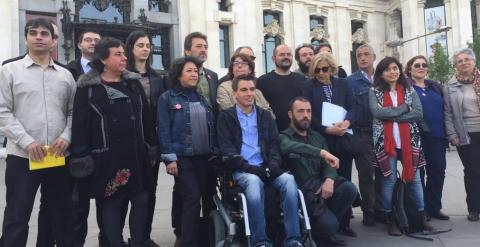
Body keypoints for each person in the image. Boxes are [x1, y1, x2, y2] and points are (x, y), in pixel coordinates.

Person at [70, 37, 156, 247]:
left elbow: (147, 118)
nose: (124, 58)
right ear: (103, 59)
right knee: (111, 203)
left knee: (142, 199)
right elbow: (80, 126)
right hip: (106, 157)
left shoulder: (133, 83)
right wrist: (81, 156)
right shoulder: (89, 88)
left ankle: (138, 242)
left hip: (136, 154)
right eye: (118, 54)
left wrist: (151, 147)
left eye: (124, 53)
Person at [0, 17, 76, 247]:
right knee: (17, 215)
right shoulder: (9, 70)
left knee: (60, 215)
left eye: (45, 34)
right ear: (26, 39)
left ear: (54, 41)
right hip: (23, 157)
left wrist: (66, 136)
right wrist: (26, 142)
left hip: (56, 156)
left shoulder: (65, 75)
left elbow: (74, 113)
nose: (39, 37)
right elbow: (3, 110)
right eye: (34, 33)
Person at [217, 74, 303, 247]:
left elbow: (274, 145)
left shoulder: (265, 116)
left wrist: (272, 165)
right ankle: (260, 241)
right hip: (242, 170)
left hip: (266, 166)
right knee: (254, 183)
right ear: (234, 94)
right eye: (244, 90)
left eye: (252, 89)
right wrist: (249, 168)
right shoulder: (226, 117)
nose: (249, 94)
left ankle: (293, 239)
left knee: (289, 181)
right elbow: (227, 150)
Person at [280, 96, 358, 247]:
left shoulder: (317, 137)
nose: (306, 115)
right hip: (304, 191)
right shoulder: (283, 137)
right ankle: (322, 231)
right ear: (290, 114)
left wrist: (329, 179)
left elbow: (328, 164)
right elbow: (294, 148)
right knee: (330, 226)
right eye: (300, 111)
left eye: (308, 111)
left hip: (322, 184)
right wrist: (321, 152)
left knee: (349, 189)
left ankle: (325, 230)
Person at [158, 56, 217, 247]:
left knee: (208, 198)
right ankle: (187, 242)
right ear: (179, 74)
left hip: (205, 158)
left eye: (196, 71)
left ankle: (208, 239)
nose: (194, 74)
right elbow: (163, 129)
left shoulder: (202, 98)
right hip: (182, 158)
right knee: (192, 198)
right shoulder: (167, 98)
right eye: (189, 70)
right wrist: (169, 159)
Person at [369, 56, 432, 236]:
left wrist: (390, 116)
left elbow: (419, 114)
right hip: (385, 143)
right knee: (388, 181)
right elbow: (377, 112)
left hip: (409, 141)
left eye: (395, 68)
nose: (392, 72)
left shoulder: (409, 90)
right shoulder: (374, 91)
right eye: (388, 69)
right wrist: (405, 108)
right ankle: (391, 220)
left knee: (415, 180)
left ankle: (421, 218)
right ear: (381, 73)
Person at [170, 33, 219, 243]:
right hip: (183, 149)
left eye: (206, 46)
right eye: (199, 46)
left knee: (207, 192)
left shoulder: (212, 76)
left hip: (206, 147)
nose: (204, 50)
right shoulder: (171, 84)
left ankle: (207, 234)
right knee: (186, 194)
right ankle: (181, 232)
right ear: (187, 51)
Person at [301, 52, 357, 237]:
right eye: (317, 70)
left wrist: (347, 123)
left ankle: (345, 222)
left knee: (345, 178)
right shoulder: (309, 86)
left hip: (343, 138)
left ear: (332, 68)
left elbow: (354, 107)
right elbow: (309, 114)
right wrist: (327, 129)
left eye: (324, 69)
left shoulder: (343, 83)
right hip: (322, 138)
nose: (321, 73)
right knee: (325, 181)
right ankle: (327, 224)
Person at [124, 30, 167, 247]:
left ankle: (143, 237)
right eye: (140, 45)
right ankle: (116, 238)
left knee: (150, 191)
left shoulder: (157, 79)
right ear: (131, 48)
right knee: (126, 193)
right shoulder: (122, 76)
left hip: (151, 143)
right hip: (128, 143)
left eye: (148, 45)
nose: (145, 48)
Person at [405, 55, 449, 221]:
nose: (421, 67)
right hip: (417, 137)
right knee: (419, 174)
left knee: (438, 172)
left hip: (438, 137)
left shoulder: (435, 87)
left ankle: (434, 208)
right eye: (417, 65)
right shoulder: (406, 88)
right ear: (410, 69)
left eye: (424, 65)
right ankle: (421, 209)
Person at [346, 43, 382, 226]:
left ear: (374, 57)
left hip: (384, 132)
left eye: (366, 54)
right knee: (366, 173)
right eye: (359, 55)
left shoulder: (383, 78)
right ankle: (369, 210)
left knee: (384, 171)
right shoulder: (351, 82)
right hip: (362, 132)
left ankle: (383, 208)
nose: (362, 58)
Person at [444, 48, 480, 222]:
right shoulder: (450, 85)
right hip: (466, 134)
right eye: (460, 61)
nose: (464, 62)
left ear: (474, 61)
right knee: (473, 171)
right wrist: (452, 134)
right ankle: (474, 208)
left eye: (467, 59)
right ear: (456, 65)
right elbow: (448, 113)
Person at [257, 44, 306, 131]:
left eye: (288, 54)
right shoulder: (262, 81)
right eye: (282, 54)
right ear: (273, 58)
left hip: (298, 133)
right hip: (273, 133)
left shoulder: (302, 80)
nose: (286, 57)